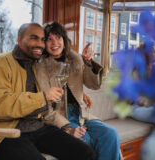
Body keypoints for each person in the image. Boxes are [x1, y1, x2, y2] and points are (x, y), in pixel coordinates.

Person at [0, 23, 97, 160]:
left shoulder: (37, 65)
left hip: (38, 127)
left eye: (42, 40)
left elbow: (61, 78)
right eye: (34, 38)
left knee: (86, 153)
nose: (40, 44)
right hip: (3, 131)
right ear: (19, 40)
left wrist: (81, 92)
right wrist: (42, 98)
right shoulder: (0, 64)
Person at [36, 21, 121, 160]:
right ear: (44, 44)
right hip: (60, 116)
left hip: (80, 114)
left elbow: (93, 85)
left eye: (58, 37)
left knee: (110, 134)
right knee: (85, 140)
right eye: (49, 39)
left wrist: (88, 63)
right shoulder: (42, 68)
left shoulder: (75, 59)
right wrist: (67, 129)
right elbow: (45, 108)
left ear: (64, 40)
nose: (54, 42)